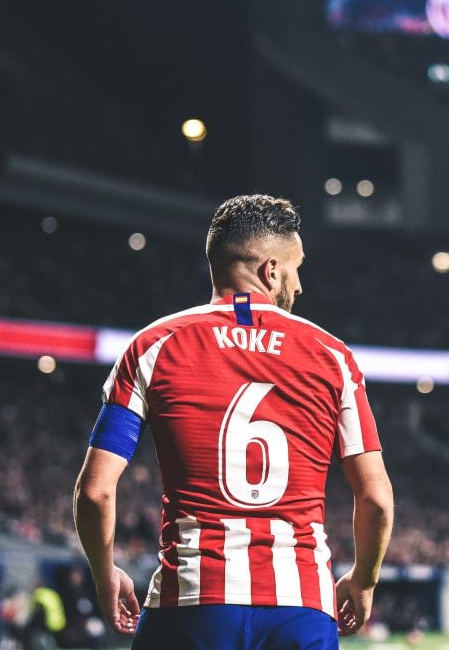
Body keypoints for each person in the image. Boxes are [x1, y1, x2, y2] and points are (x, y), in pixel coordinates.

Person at [74, 194, 394, 650]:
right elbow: (377, 498)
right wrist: (363, 580)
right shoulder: (333, 357)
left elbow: (95, 490)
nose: (299, 285)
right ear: (270, 271)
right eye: (295, 267)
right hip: (300, 605)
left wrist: (104, 575)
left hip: (189, 605)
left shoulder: (154, 345)